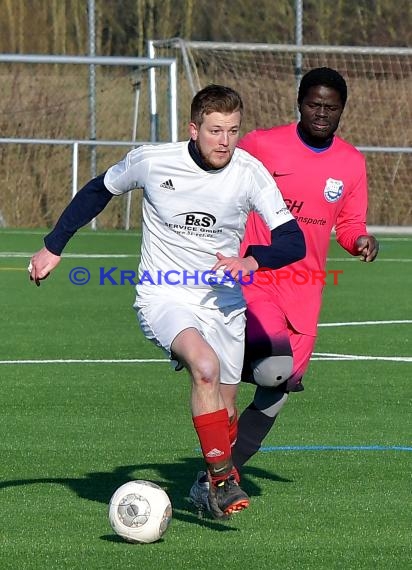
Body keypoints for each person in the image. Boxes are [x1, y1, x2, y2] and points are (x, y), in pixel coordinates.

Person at [28, 84, 306, 519]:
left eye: (233, 131)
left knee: (226, 409)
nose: (225, 141)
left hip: (224, 301)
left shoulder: (249, 172)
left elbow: (293, 240)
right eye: (216, 131)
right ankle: (222, 480)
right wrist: (53, 246)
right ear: (194, 129)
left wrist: (252, 260)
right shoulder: (153, 161)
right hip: (164, 293)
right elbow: (100, 189)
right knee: (205, 368)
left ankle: (204, 485)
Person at [189, 68, 379, 509]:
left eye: (331, 107)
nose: (322, 113)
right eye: (314, 103)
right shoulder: (261, 144)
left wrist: (361, 240)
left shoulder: (351, 163)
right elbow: (216, 172)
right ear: (299, 101)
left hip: (306, 290)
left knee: (276, 393)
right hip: (256, 279)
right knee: (272, 367)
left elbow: (350, 224)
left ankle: (216, 480)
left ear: (342, 110)